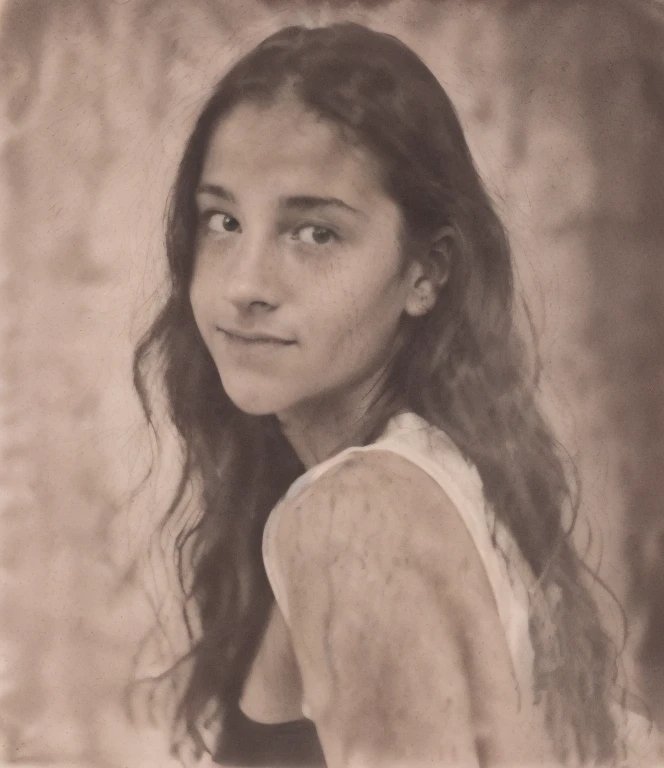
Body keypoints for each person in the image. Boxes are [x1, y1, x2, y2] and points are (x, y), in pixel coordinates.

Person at [132, 21, 660, 768]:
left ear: (426, 273)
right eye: (222, 221)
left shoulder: (354, 518)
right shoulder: (432, 473)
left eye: (313, 232)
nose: (242, 284)